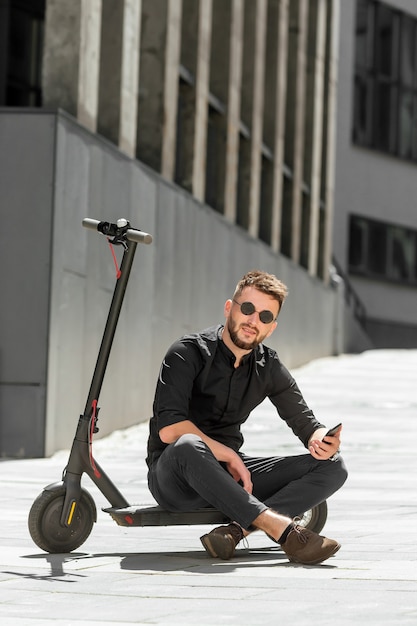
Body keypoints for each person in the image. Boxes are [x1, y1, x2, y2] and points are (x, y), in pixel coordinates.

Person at [146, 270, 348, 565]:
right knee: (188, 444)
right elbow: (169, 429)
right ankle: (281, 529)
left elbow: (304, 421)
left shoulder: (268, 365)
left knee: (333, 466)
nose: (254, 321)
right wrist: (228, 454)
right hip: (177, 479)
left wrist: (320, 439)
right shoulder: (187, 352)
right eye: (248, 309)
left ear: (272, 327)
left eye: (265, 316)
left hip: (233, 480)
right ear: (230, 308)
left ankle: (236, 531)